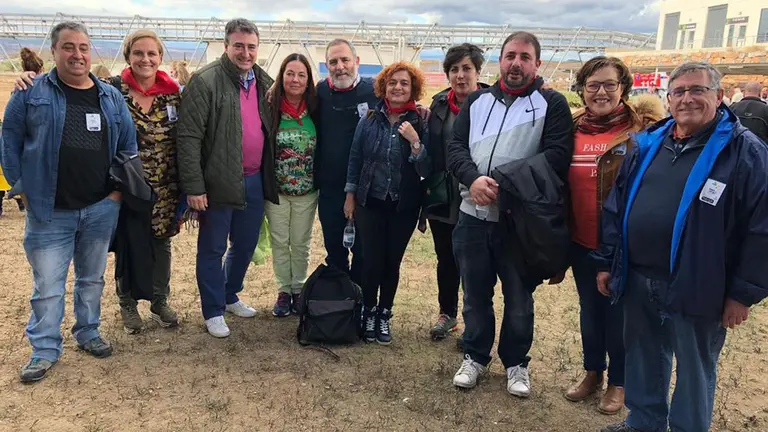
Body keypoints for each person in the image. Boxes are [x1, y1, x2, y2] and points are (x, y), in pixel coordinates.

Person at [596, 62, 768, 432]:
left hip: (699, 283)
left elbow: (762, 229)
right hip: (639, 277)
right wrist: (608, 262)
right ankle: (644, 423)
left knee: (693, 367)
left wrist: (742, 293)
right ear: (668, 99)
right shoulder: (648, 144)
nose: (687, 98)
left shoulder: (744, 152)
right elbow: (616, 206)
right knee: (643, 358)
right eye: (679, 92)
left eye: (698, 90)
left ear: (719, 97)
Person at [14, 29, 184, 334]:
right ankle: (127, 305)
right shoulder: (113, 90)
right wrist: (27, 78)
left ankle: (160, 300)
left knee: (161, 244)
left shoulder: (174, 94)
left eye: (152, 54)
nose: (145, 59)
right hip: (125, 185)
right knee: (128, 243)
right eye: (138, 53)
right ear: (128, 56)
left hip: (164, 187)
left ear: (160, 58)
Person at [1, 22, 137, 383]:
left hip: (99, 208)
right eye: (68, 47)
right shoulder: (31, 92)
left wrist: (116, 193)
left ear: (91, 52)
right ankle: (44, 349)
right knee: (47, 285)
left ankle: (88, 332)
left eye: (83, 47)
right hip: (49, 211)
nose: (77, 54)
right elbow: (10, 137)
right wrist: (20, 187)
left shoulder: (110, 96)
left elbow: (128, 144)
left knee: (91, 279)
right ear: (54, 50)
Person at [447, 31, 573, 397]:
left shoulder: (552, 104)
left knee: (518, 298)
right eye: (510, 56)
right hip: (472, 217)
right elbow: (455, 148)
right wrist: (472, 180)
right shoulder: (478, 100)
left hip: (518, 221)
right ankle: (475, 355)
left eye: (525, 57)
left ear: (536, 63)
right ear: (500, 61)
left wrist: (503, 182)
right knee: (474, 295)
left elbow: (556, 156)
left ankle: (516, 363)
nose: (516, 63)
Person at [558, 56, 665, 415]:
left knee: (619, 315)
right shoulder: (570, 127)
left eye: (609, 85)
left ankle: (619, 382)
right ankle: (593, 373)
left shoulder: (644, 131)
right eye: (593, 85)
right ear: (582, 89)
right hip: (579, 240)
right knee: (590, 311)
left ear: (624, 89)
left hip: (622, 245)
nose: (600, 92)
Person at [177, 18, 276, 338]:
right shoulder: (206, 81)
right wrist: (194, 187)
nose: (245, 53)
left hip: (254, 180)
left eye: (251, 47)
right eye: (239, 46)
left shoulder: (263, 82)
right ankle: (213, 309)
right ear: (226, 46)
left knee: (246, 244)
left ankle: (230, 293)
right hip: (217, 182)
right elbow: (189, 137)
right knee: (212, 248)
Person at [344, 61, 431, 345]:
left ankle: (384, 314)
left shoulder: (421, 120)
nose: (398, 87)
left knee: (391, 263)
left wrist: (415, 142)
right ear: (384, 86)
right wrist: (350, 195)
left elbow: (427, 169)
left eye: (404, 83)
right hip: (370, 201)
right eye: (393, 82)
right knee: (371, 261)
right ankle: (368, 311)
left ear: (412, 88)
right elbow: (355, 158)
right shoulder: (369, 119)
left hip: (403, 206)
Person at [423, 43, 487, 342]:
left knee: (473, 262)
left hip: (477, 197)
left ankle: (474, 323)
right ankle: (447, 314)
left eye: (467, 69)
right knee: (445, 257)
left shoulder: (491, 105)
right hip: (442, 197)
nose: (460, 76)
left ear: (478, 72)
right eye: (454, 70)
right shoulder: (437, 107)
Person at [315, 39, 378, 286]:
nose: (340, 67)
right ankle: (340, 304)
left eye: (345, 60)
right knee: (335, 249)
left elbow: (400, 105)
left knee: (364, 252)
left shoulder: (375, 91)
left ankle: (360, 302)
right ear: (327, 65)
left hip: (366, 190)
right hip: (330, 189)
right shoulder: (318, 93)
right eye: (333, 62)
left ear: (357, 62)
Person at [265, 53, 319, 317]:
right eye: (290, 73)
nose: (295, 79)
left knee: (300, 242)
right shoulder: (269, 106)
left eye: (301, 75)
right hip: (276, 192)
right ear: (282, 75)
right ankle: (284, 290)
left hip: (307, 191)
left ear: (308, 80)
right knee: (279, 241)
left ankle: (299, 290)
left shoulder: (317, 108)